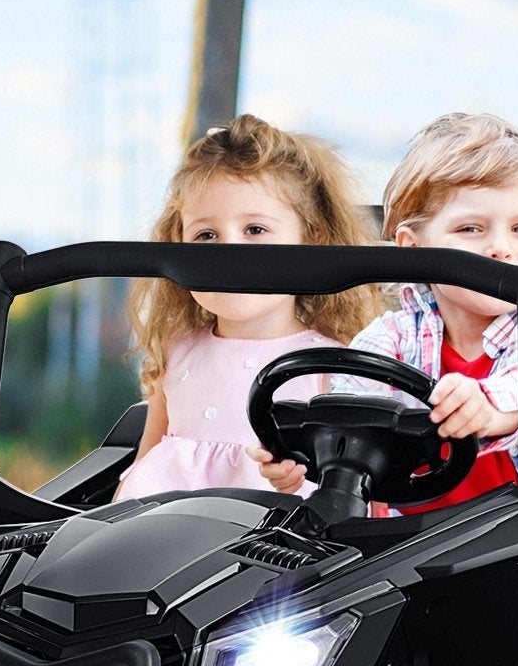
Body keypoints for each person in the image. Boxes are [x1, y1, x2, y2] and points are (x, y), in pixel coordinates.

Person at [249, 112, 518, 536]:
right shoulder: (391, 337)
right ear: (413, 249)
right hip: (406, 548)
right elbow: (351, 407)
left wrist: (488, 409)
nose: (501, 248)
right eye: (470, 228)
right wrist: (309, 459)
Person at [112, 115, 382, 501]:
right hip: (157, 537)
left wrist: (295, 479)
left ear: (312, 242)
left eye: (255, 229)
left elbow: (346, 490)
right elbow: (146, 461)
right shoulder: (177, 351)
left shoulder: (331, 365)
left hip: (265, 549)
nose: (229, 253)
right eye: (206, 235)